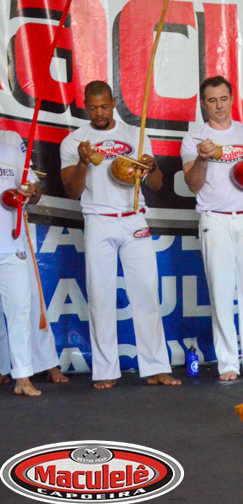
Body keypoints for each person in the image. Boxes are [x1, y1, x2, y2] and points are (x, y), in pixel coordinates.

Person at [59, 81, 179, 390]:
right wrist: (83, 162)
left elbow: (156, 185)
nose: (99, 113)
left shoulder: (135, 135)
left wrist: (152, 167)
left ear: (113, 103)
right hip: (98, 220)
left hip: (133, 219)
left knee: (147, 294)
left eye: (104, 106)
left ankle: (156, 367)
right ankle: (105, 370)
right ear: (85, 106)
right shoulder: (74, 141)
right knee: (100, 297)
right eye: (93, 108)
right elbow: (72, 192)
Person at [181, 76, 243, 381]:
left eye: (224, 99)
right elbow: (193, 184)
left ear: (232, 99)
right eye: (212, 100)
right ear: (203, 104)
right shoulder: (194, 138)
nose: (219, 106)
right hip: (214, 218)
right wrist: (202, 158)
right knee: (221, 291)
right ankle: (227, 363)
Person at [0, 130, 43, 395]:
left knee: (20, 313)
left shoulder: (12, 145)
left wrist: (29, 193)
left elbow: (34, 193)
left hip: (10, 245)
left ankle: (23, 378)